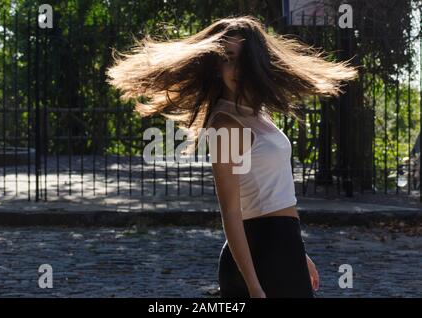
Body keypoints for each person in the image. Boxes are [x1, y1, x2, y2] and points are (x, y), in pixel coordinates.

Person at [107, 15, 358, 298]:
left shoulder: (255, 114)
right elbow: (231, 211)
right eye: (227, 58)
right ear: (216, 66)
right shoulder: (226, 124)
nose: (235, 69)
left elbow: (273, 193)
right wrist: (254, 286)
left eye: (242, 59)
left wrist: (299, 253)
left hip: (282, 247)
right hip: (262, 254)